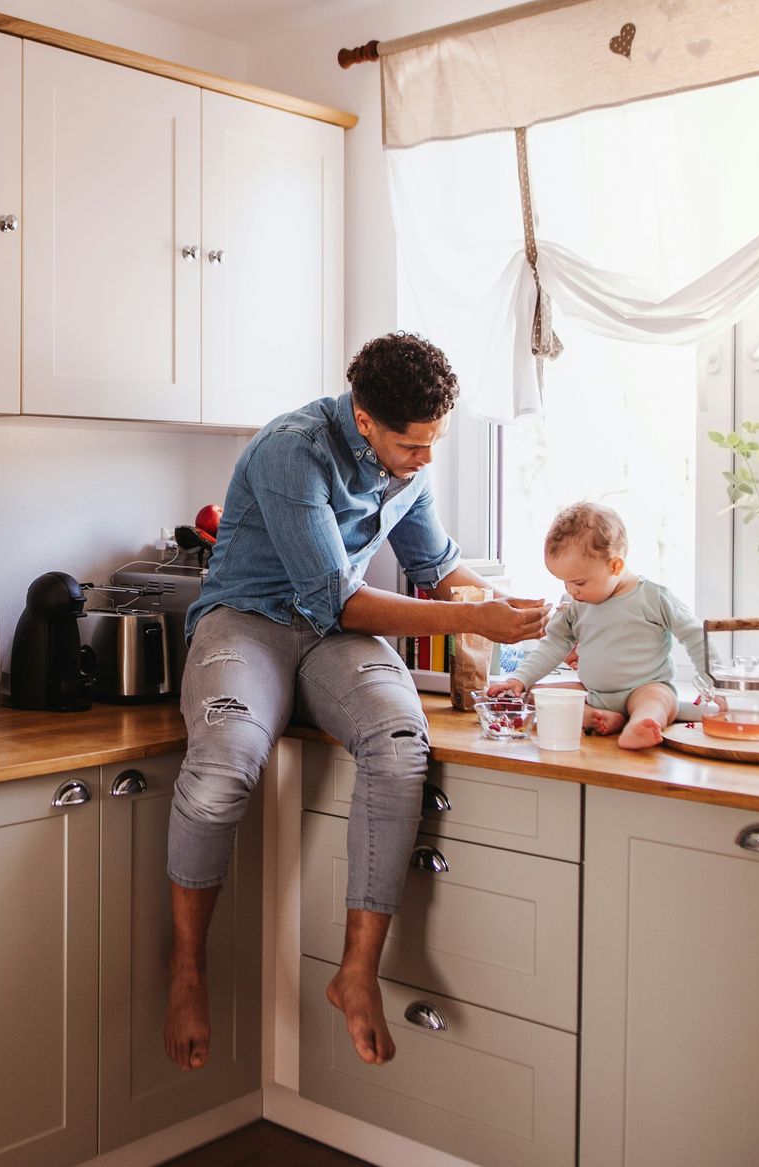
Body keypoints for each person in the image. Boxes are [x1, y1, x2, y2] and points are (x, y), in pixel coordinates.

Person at [164, 333, 550, 1071]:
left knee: (402, 741)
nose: (425, 458)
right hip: (249, 622)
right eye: (413, 444)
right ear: (364, 419)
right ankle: (187, 967)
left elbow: (437, 568)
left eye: (435, 441)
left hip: (328, 637)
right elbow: (336, 599)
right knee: (225, 765)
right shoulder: (292, 450)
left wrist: (505, 610)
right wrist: (473, 617)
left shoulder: (410, 465)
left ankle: (356, 970)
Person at [486, 501, 706, 750]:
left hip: (646, 687)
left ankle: (643, 723)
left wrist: (710, 681)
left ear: (615, 566)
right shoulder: (574, 603)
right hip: (593, 694)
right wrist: (520, 679)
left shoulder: (654, 597)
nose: (570, 590)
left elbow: (694, 634)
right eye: (564, 582)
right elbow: (553, 644)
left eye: (578, 582)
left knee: (660, 700)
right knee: (536, 696)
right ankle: (597, 717)